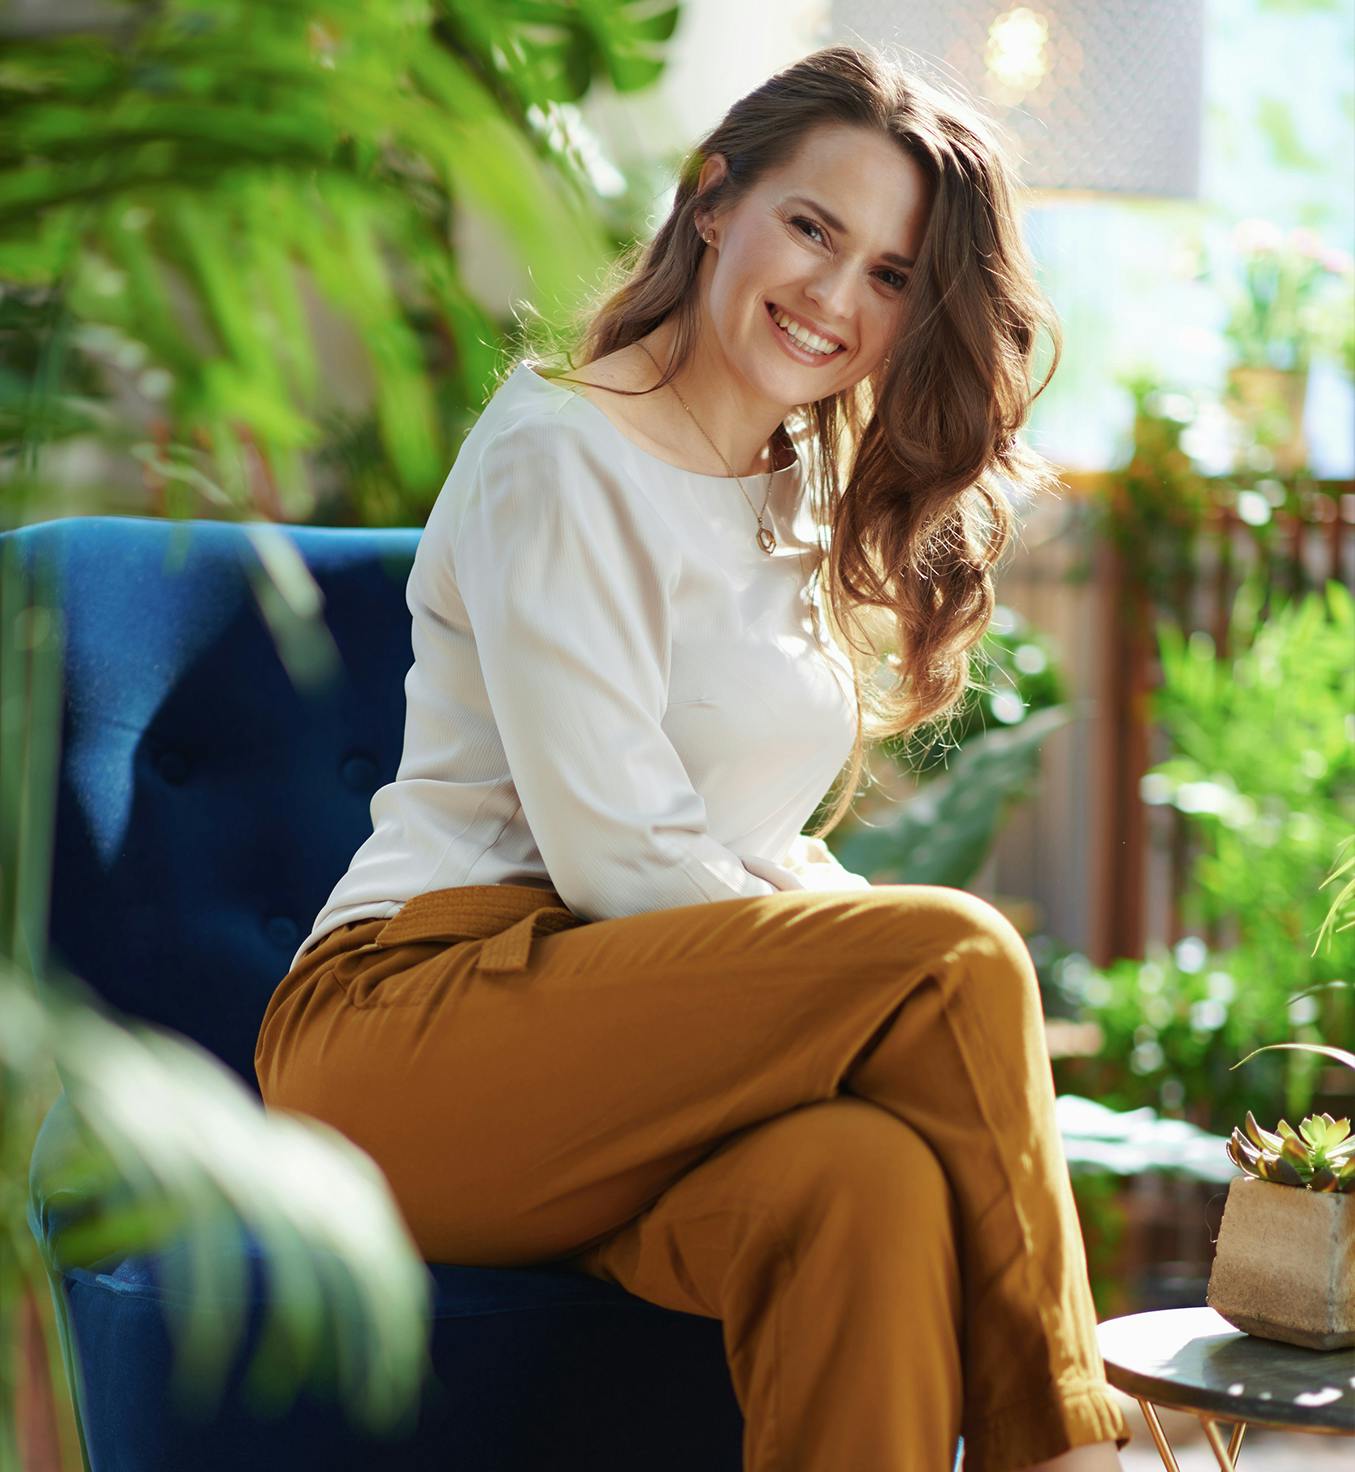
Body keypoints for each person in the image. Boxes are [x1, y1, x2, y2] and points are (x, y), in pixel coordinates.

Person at [255, 42, 1132, 1472]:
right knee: (955, 958)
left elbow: (755, 838)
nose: (836, 297)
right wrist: (851, 989)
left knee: (868, 1187)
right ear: (714, 198)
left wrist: (824, 981)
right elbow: (619, 851)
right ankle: (1071, 1450)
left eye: (894, 276)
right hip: (414, 1033)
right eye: (812, 228)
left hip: (628, 1047)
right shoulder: (563, 449)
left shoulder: (802, 498)